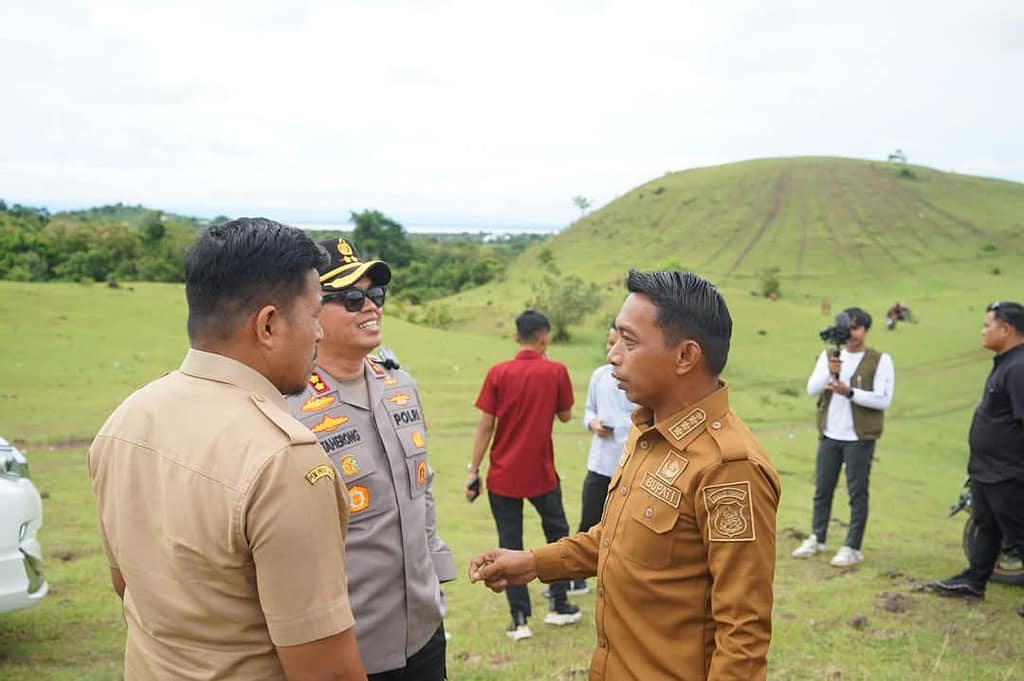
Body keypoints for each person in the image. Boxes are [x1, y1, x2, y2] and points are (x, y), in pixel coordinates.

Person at [88, 218, 367, 680]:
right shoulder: (284, 461)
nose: (320, 334)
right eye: (315, 315)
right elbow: (326, 671)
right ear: (269, 325)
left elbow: (126, 585)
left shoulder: (125, 420)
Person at [469, 270, 781, 680]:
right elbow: (616, 541)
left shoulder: (729, 470)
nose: (613, 355)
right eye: (615, 339)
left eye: (629, 342)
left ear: (686, 356)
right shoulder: (647, 431)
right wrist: (532, 563)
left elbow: (743, 635)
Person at [287, 237, 455, 680]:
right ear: (311, 313)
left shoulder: (401, 385)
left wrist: (437, 576)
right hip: (347, 643)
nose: (370, 307)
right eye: (350, 298)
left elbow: (423, 488)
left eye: (375, 295)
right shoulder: (288, 406)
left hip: (422, 630)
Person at [465, 309, 579, 640]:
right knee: (558, 536)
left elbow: (486, 425)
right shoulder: (556, 370)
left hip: (502, 475)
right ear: (545, 338)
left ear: (516, 337)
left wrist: (473, 471)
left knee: (508, 543)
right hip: (542, 474)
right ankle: (558, 605)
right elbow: (567, 415)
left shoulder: (497, 373)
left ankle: (519, 620)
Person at [930, 301, 1024, 616]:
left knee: (1018, 532)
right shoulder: (1005, 363)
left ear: (1006, 329)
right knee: (986, 525)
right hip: (987, 470)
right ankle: (974, 580)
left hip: (1008, 472)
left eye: (987, 325)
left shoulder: (1019, 367)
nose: (982, 331)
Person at [792, 306, 895, 567]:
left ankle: (852, 546)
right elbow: (812, 389)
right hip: (829, 433)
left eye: (856, 327)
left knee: (857, 492)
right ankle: (817, 537)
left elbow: (883, 400)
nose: (851, 333)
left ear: (865, 330)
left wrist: (849, 392)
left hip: (859, 437)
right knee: (822, 488)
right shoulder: (830, 355)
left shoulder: (880, 360)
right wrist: (830, 370)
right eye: (847, 327)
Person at [573, 323, 636, 594]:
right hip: (600, 463)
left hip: (630, 464)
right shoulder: (599, 375)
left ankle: (619, 578)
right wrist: (593, 424)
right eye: (609, 343)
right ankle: (577, 577)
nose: (612, 350)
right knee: (589, 521)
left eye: (618, 344)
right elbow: (588, 410)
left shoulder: (639, 378)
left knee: (627, 528)